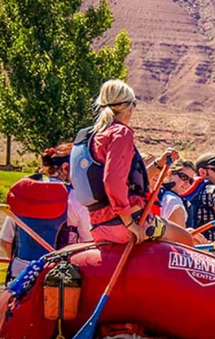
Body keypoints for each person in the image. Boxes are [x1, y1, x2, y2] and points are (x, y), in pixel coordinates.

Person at [69, 79, 193, 246]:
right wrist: (129, 223)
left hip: (98, 225)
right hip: (130, 222)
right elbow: (112, 180)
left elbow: (127, 181)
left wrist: (158, 164)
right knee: (186, 239)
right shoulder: (121, 133)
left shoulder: (93, 136)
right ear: (128, 106)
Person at [1, 144, 92, 280]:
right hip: (58, 277)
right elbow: (88, 243)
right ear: (66, 168)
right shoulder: (75, 199)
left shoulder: (24, 193)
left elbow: (6, 240)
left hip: (20, 275)